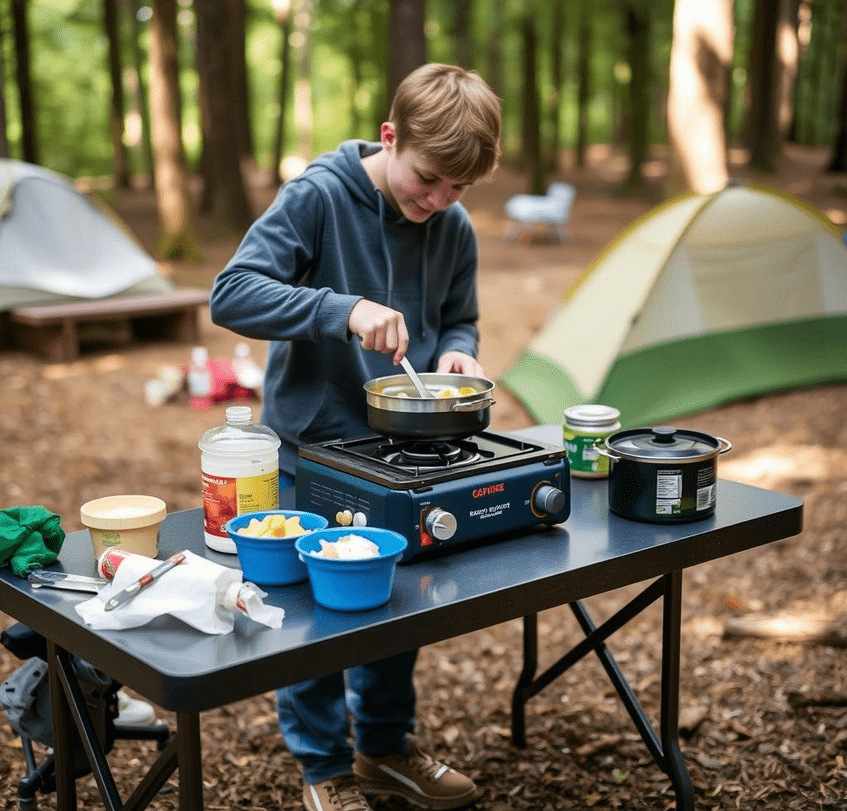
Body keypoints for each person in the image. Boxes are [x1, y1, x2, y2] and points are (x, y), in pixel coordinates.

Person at [209, 63, 501, 811]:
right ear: (389, 136)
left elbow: (459, 316)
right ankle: (324, 769)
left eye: (460, 187)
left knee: (393, 601)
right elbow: (230, 294)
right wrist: (340, 310)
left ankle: (384, 748)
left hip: (403, 454)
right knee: (316, 616)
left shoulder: (453, 225)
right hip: (312, 451)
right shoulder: (318, 197)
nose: (439, 200)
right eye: (428, 179)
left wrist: (458, 349)